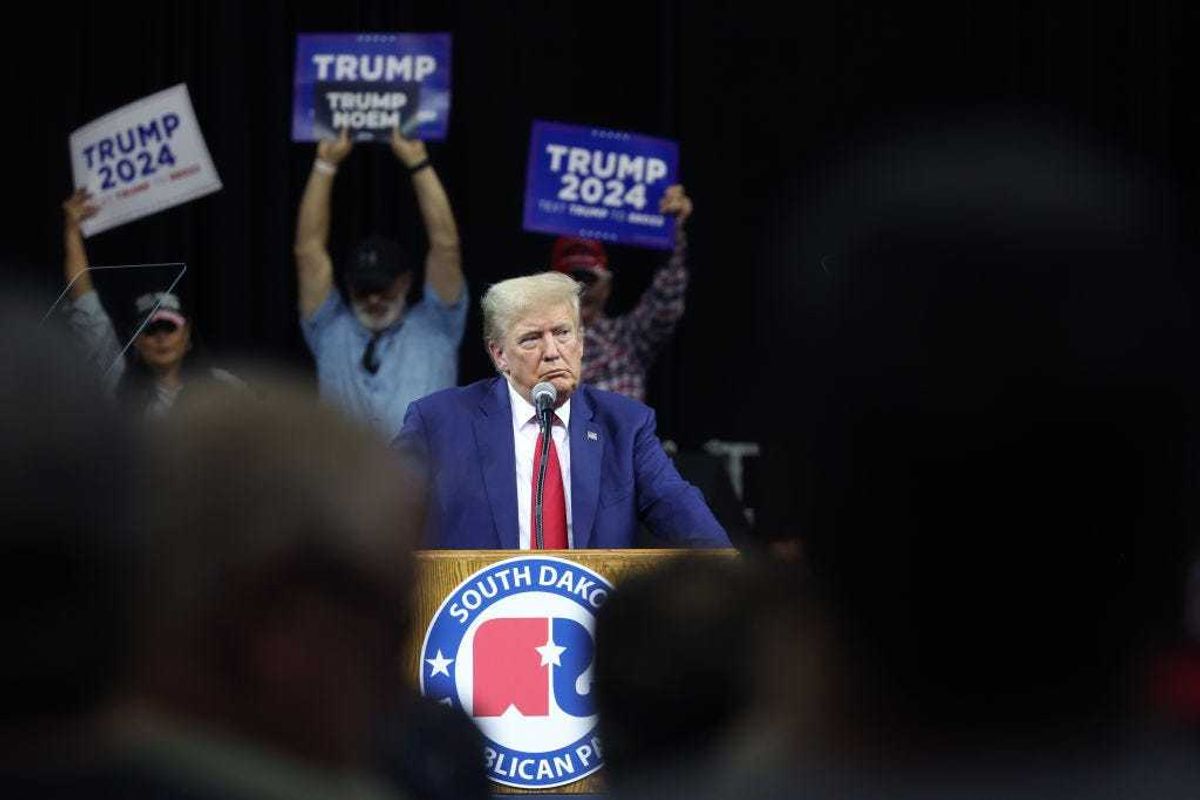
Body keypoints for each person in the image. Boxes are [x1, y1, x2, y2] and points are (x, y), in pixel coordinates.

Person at [395, 271, 730, 549]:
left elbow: (686, 518)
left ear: (581, 342)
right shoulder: (439, 422)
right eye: (531, 339)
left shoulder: (625, 426)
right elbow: (377, 519)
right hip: (479, 622)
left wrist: (723, 569)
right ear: (499, 355)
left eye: (562, 333)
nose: (552, 351)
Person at [295, 127, 467, 438]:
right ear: (347, 287)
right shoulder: (328, 330)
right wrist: (324, 165)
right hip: (345, 484)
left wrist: (418, 162)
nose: (374, 298)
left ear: (405, 282)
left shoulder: (437, 325)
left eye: (383, 287)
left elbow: (446, 245)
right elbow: (308, 251)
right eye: (364, 289)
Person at [59, 189, 240, 417]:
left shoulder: (223, 386)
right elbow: (84, 303)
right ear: (135, 341)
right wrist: (72, 230)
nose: (161, 337)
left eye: (169, 326)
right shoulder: (118, 383)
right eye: (150, 329)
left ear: (188, 335)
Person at [550, 184, 692, 400]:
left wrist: (671, 227)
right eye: (571, 279)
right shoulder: (536, 348)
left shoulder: (626, 340)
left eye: (590, 278)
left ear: (606, 287)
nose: (580, 289)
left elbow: (666, 298)